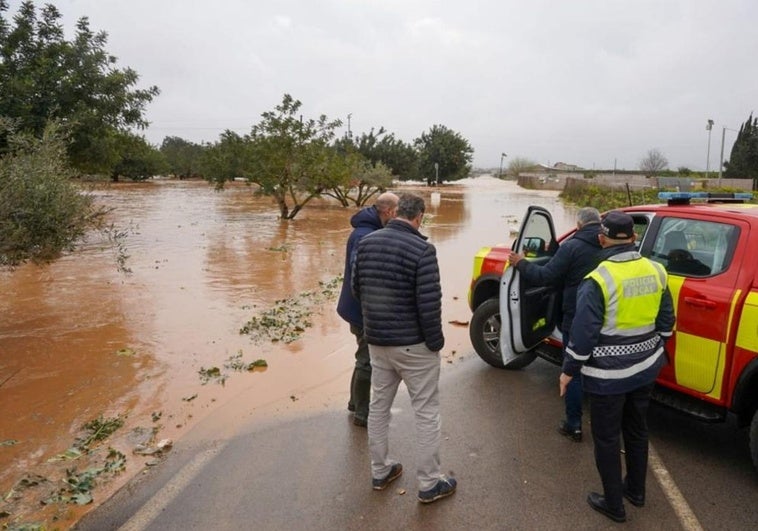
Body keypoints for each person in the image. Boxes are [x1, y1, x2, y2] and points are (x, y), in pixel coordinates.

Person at [560, 210, 675, 523]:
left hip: (608, 378)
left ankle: (614, 504)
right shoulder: (657, 270)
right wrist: (655, 348)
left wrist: (568, 370)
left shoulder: (598, 279)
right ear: (634, 238)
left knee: (608, 439)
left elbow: (583, 336)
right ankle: (635, 491)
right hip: (646, 369)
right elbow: (666, 323)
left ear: (601, 239)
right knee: (637, 429)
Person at [351, 192, 457, 504]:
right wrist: (435, 342)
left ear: (396, 212)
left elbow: (358, 289)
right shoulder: (423, 249)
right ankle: (428, 483)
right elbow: (429, 304)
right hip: (414, 347)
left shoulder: (367, 242)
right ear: (419, 216)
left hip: (378, 343)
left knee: (379, 407)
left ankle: (380, 470)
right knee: (426, 412)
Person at [506, 207, 603, 442]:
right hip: (607, 316)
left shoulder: (572, 247)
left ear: (578, 226)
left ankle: (573, 425)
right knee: (602, 371)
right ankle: (606, 425)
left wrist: (520, 263)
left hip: (576, 317)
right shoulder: (609, 245)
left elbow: (545, 277)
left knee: (574, 371)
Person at [336, 191, 399, 427]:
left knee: (361, 357)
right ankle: (362, 414)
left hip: (354, 308)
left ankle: (354, 403)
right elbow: (361, 279)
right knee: (366, 360)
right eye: (396, 212)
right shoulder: (365, 236)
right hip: (361, 310)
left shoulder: (367, 229)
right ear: (389, 212)